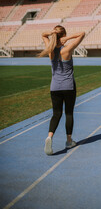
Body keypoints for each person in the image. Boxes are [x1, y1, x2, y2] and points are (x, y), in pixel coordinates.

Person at [38, 25, 85, 155]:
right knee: (68, 113)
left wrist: (53, 34)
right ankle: (69, 141)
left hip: (55, 87)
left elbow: (43, 34)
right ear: (63, 35)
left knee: (56, 114)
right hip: (69, 86)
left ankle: (49, 137)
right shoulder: (67, 49)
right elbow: (82, 33)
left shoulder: (50, 49)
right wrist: (67, 38)